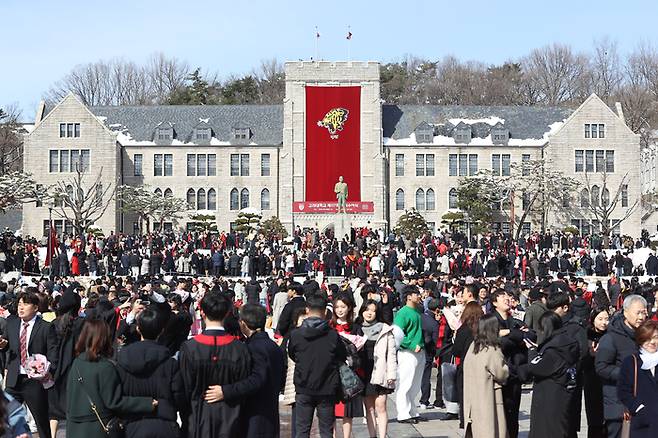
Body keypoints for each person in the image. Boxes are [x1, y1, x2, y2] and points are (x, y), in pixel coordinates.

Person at [204, 304, 286, 438]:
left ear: (243, 323)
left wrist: (226, 391)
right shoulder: (273, 346)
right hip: (269, 411)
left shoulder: (254, 347)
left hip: (255, 415)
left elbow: (257, 379)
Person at [66, 319, 157, 437]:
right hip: (98, 429)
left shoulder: (76, 363)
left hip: (75, 429)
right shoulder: (105, 367)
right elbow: (115, 402)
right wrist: (147, 403)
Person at [179, 292, 252, 438]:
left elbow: (184, 389)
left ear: (203, 314)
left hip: (197, 418)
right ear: (227, 314)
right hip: (231, 420)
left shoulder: (190, 348)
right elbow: (245, 387)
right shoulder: (239, 348)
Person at [116, 307, 186, 438]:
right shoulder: (170, 363)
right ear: (161, 331)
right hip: (164, 423)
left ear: (138, 329)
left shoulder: (122, 360)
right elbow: (179, 398)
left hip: (132, 424)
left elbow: (116, 396)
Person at [288, 293, 347, 438]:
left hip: (303, 386)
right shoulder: (333, 335)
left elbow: (292, 354)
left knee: (302, 429)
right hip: (327, 387)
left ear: (307, 310)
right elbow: (342, 356)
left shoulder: (296, 334)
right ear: (325, 311)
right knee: (326, 430)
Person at [0, 291, 57, 438]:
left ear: (36, 308)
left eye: (25, 304)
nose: (21, 308)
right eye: (19, 304)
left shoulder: (45, 327)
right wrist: (3, 344)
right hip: (14, 379)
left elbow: (53, 353)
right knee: (6, 417)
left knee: (41, 421)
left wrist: (48, 370)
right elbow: (6, 344)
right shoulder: (12, 323)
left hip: (34, 381)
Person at [596, 295, 648, 438]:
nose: (641, 317)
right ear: (625, 312)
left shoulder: (646, 337)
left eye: (644, 312)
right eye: (638, 312)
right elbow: (601, 367)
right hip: (619, 406)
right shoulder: (611, 337)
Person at [522, 312, 580, 438]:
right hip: (564, 394)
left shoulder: (553, 350)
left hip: (549, 398)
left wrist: (532, 351)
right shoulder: (567, 343)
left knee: (547, 430)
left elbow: (535, 367)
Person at [462, 314, 509, 438]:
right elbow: (502, 373)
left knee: (477, 429)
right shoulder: (492, 349)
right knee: (491, 430)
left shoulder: (473, 346)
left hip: (472, 397)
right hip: (488, 397)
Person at [355, 299, 396, 438]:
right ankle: (372, 435)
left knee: (381, 405)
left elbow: (391, 353)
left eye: (373, 310)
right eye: (367, 310)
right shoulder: (357, 328)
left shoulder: (385, 328)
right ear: (362, 311)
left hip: (380, 370)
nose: (369, 313)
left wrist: (392, 374)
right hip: (363, 372)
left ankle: (383, 436)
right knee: (369, 407)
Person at [49, 289, 84, 438]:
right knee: (74, 407)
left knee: (54, 410)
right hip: (77, 370)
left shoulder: (55, 324)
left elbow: (51, 348)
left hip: (57, 371)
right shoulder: (83, 323)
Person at [617, 320, 658, 438]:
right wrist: (638, 408)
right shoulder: (631, 362)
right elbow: (623, 391)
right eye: (647, 338)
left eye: (655, 337)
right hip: (642, 423)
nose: (652, 342)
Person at [331, 294, 364, 438]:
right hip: (331, 373)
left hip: (348, 374)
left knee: (347, 411)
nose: (340, 310)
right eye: (337, 307)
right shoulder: (329, 326)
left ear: (349, 308)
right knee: (330, 410)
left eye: (343, 307)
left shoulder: (355, 327)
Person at [394, 285, 425, 424]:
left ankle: (412, 410)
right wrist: (411, 344)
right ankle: (403, 413)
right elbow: (397, 334)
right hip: (407, 353)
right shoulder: (403, 313)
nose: (419, 296)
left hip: (419, 352)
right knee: (405, 383)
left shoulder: (417, 311)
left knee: (415, 384)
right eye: (416, 293)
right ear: (408, 296)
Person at [452, 301, 484, 428]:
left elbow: (456, 351)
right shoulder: (484, 329)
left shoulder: (463, 329)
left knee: (464, 394)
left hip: (465, 366)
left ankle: (465, 420)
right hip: (481, 366)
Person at [584, 307, 610, 438]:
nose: (604, 322)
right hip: (592, 380)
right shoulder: (586, 335)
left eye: (606, 319)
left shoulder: (611, 336)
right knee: (594, 417)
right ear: (593, 320)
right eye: (600, 319)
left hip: (608, 380)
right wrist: (591, 355)